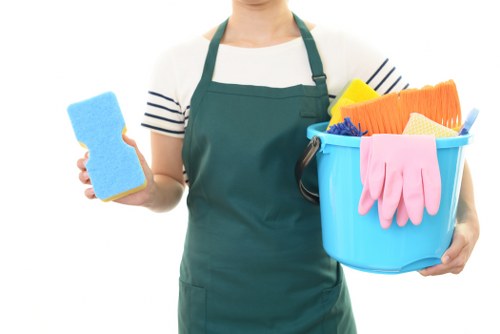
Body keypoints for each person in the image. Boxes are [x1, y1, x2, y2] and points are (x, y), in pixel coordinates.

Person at [77, 0, 480, 332]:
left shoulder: (342, 52)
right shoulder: (179, 65)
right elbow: (169, 184)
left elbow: (438, 138)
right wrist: (145, 188)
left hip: (315, 305)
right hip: (212, 305)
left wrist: (467, 217)